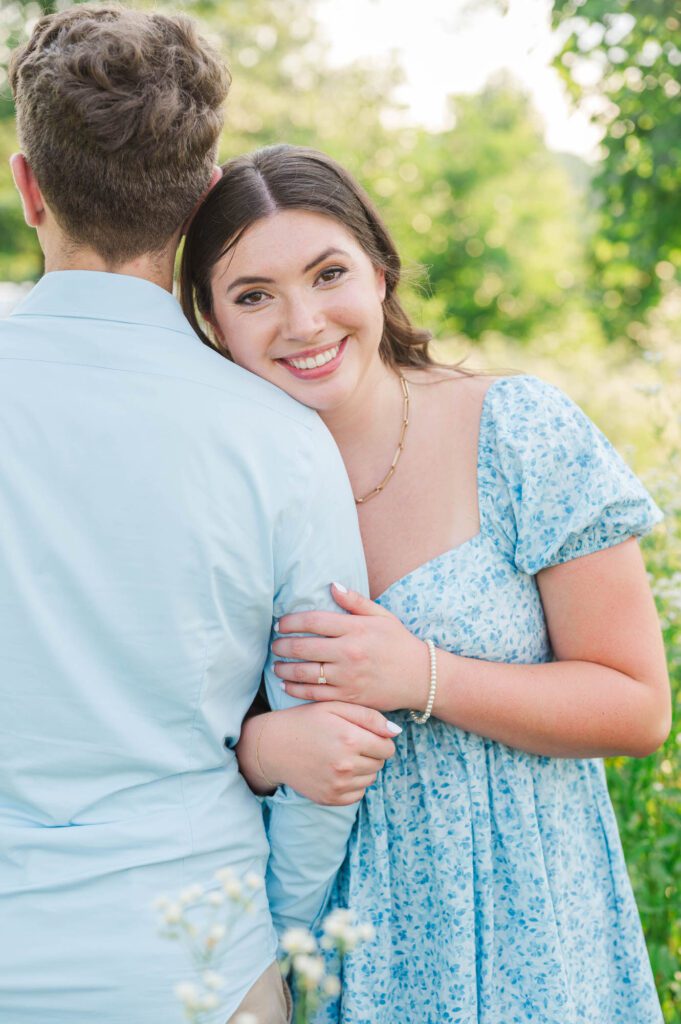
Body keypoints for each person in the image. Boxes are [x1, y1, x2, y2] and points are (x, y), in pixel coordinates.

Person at [180, 143, 671, 1024]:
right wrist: (257, 754)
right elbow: (162, 724)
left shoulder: (517, 430)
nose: (301, 322)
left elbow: (636, 707)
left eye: (327, 273)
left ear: (378, 270)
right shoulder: (210, 485)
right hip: (327, 947)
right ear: (212, 322)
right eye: (253, 295)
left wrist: (422, 677)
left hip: (526, 933)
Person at [1, 12, 399, 1024]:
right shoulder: (280, 439)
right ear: (206, 190)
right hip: (198, 963)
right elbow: (328, 736)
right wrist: (274, 940)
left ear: (28, 185)